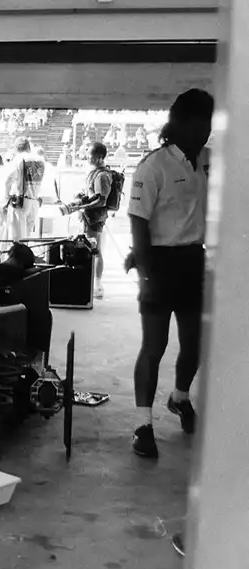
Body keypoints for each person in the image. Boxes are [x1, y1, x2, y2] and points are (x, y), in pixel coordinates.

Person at [126, 88, 213, 463]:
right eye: (197, 124)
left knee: (195, 343)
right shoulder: (154, 166)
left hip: (195, 261)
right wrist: (146, 270)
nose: (204, 132)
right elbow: (137, 221)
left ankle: (180, 398)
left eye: (208, 124)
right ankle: (143, 425)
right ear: (179, 124)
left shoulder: (209, 161)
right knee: (155, 345)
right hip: (160, 262)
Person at [69, 142, 112, 298]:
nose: (88, 157)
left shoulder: (102, 175)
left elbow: (102, 200)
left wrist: (82, 206)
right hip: (90, 217)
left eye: (91, 155)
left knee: (94, 250)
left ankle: (97, 284)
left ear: (99, 157)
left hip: (94, 219)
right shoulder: (95, 173)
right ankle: (94, 283)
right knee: (92, 249)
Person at [3, 137, 45, 241]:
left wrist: (6, 196)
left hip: (21, 201)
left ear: (16, 148)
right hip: (34, 201)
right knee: (27, 236)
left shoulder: (19, 159)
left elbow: (8, 181)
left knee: (18, 237)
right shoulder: (40, 160)